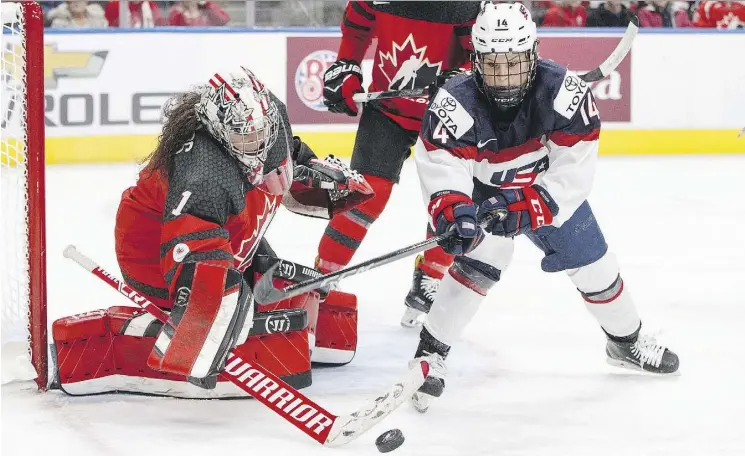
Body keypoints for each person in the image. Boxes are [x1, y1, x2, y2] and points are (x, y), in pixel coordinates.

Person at [407, 2, 680, 413]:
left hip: (543, 191)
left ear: (533, 54)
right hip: (482, 193)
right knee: (482, 257)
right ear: (475, 60)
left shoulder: (565, 92)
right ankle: (430, 354)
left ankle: (625, 341)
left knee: (594, 263)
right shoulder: (454, 103)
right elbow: (444, 171)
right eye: (493, 65)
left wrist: (530, 205)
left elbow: (574, 173)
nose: (504, 77)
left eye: (514, 63)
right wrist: (456, 212)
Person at [50, 66, 373, 397]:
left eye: (261, 133)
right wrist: (208, 314)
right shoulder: (204, 171)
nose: (256, 144)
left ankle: (265, 318)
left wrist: (317, 178)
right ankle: (192, 334)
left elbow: (284, 162)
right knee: (226, 300)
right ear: (219, 131)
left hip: (227, 235)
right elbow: (193, 245)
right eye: (243, 137)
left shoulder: (269, 120)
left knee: (294, 287)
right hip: (155, 256)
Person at [318, 1, 481, 328]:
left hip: (445, 113)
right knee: (365, 195)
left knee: (450, 198)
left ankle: (430, 278)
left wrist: (461, 77)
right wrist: (346, 65)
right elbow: (357, 27)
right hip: (387, 109)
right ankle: (322, 277)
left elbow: (478, 52)